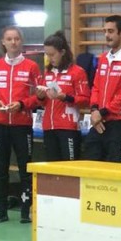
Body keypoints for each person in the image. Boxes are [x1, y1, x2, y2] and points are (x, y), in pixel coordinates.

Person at [0, 26, 41, 224]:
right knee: (0, 170)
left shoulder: (31, 67)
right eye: (9, 39)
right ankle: (2, 212)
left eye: (16, 38)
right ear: (3, 42)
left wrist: (22, 104)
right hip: (0, 125)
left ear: (21, 41)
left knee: (26, 169)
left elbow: (39, 96)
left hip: (22, 125)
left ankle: (25, 212)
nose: (13, 42)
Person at [84, 15, 121, 162]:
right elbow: (96, 87)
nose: (106, 35)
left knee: (115, 166)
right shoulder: (103, 58)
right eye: (105, 31)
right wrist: (94, 110)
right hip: (100, 120)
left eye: (110, 31)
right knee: (90, 160)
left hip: (119, 123)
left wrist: (103, 112)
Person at [36, 31, 90, 161]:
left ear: (63, 52)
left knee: (69, 167)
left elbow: (85, 100)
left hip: (68, 127)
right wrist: (41, 97)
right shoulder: (48, 73)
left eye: (52, 54)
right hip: (48, 127)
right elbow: (44, 103)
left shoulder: (77, 72)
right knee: (52, 167)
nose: (49, 58)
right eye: (47, 55)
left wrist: (65, 97)